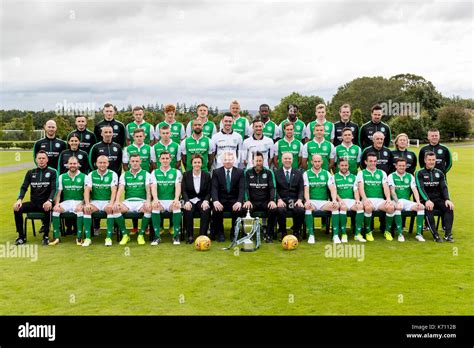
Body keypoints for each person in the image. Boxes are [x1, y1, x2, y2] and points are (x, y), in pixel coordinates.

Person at [13, 151, 57, 245]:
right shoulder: (30, 172)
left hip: (46, 203)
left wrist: (50, 201)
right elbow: (24, 187)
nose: (41, 160)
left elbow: (54, 189)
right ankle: (21, 236)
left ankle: (45, 236)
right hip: (34, 203)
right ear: (36, 160)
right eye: (39, 158)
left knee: (47, 207)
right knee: (17, 209)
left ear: (47, 160)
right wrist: (19, 200)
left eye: (43, 158)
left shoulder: (52, 172)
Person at [415, 151, 455, 242]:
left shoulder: (440, 173)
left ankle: (448, 235)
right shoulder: (419, 173)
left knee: (449, 208)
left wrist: (447, 199)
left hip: (437, 199)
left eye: (433, 160)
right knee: (429, 208)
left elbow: (444, 187)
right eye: (429, 160)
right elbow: (420, 188)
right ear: (425, 160)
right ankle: (435, 235)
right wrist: (427, 200)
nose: (431, 162)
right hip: (424, 199)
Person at [115, 154, 153, 245]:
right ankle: (125, 235)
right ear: (129, 162)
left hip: (141, 201)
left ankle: (141, 234)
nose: (135, 163)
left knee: (149, 208)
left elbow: (148, 190)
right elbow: (120, 189)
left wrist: (148, 201)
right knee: (115, 209)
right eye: (132, 161)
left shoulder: (146, 174)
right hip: (128, 202)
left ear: (140, 162)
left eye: (137, 161)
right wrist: (117, 201)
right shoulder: (125, 175)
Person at [356, 152, 395, 241]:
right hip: (367, 199)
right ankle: (368, 231)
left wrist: (388, 199)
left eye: (374, 161)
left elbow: (385, 187)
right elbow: (360, 188)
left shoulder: (382, 173)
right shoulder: (361, 173)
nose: (373, 163)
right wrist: (365, 199)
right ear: (366, 162)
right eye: (370, 161)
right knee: (368, 208)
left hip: (380, 200)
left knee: (391, 207)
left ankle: (387, 231)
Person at [50, 156, 86, 246]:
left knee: (80, 210)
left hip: (79, 201)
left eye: (74, 163)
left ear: (78, 164)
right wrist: (57, 204)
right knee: (56, 210)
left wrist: (82, 203)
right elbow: (58, 192)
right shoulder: (62, 176)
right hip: (67, 202)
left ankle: (79, 237)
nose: (72, 165)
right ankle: (56, 237)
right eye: (70, 163)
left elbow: (87, 194)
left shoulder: (84, 176)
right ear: (67, 165)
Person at [303, 154, 339, 244]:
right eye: (315, 161)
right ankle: (311, 235)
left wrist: (334, 199)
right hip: (312, 201)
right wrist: (307, 201)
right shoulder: (306, 173)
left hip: (324, 202)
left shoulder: (326, 173)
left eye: (319, 161)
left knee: (336, 206)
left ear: (322, 162)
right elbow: (306, 189)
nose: (317, 163)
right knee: (307, 206)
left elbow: (332, 188)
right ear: (311, 162)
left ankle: (335, 235)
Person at [83, 155, 118, 246]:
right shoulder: (91, 174)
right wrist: (87, 204)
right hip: (95, 202)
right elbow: (87, 190)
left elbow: (114, 190)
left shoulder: (113, 174)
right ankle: (87, 238)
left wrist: (111, 204)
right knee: (87, 210)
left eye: (104, 162)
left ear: (108, 164)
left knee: (110, 210)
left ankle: (108, 237)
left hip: (107, 201)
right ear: (96, 164)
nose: (102, 164)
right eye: (100, 162)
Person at [388, 158, 425, 242]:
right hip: (395, 201)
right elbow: (392, 191)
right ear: (396, 166)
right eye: (400, 165)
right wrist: (397, 202)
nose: (402, 167)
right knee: (398, 207)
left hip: (407, 202)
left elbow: (414, 190)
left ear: (406, 166)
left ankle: (419, 234)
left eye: (403, 166)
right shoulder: (391, 176)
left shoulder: (410, 176)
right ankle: (400, 234)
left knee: (421, 207)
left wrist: (418, 202)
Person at [243, 152, 277, 242]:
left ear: (263, 161)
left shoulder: (269, 172)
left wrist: (272, 200)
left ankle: (269, 234)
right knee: (244, 209)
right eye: (256, 161)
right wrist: (247, 200)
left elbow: (272, 188)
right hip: (252, 201)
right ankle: (247, 234)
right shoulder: (247, 172)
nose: (258, 163)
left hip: (265, 201)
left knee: (273, 209)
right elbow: (245, 188)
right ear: (252, 161)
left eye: (260, 161)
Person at [150, 151, 183, 245]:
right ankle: (157, 237)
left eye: (167, 158)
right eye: (163, 158)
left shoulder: (176, 172)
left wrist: (176, 199)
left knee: (177, 206)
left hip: (171, 200)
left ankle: (176, 236)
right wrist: (155, 199)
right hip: (159, 200)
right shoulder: (154, 172)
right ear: (159, 160)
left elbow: (178, 186)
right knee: (155, 206)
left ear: (170, 159)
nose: (165, 160)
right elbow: (154, 187)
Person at [211, 151, 245, 242]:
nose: (228, 161)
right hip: (221, 200)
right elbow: (214, 188)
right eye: (225, 160)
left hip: (234, 200)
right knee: (216, 210)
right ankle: (220, 232)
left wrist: (239, 201)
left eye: (230, 160)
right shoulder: (216, 172)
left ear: (234, 160)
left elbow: (242, 189)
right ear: (222, 161)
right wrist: (215, 201)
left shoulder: (240, 172)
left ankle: (234, 232)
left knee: (238, 210)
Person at [332, 158, 365, 243]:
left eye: (346, 165)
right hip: (341, 201)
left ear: (348, 166)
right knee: (343, 207)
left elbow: (355, 190)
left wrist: (357, 200)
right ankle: (344, 234)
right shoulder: (334, 177)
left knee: (360, 206)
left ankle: (357, 234)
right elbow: (334, 191)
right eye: (342, 165)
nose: (344, 167)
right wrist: (340, 200)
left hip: (351, 200)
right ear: (339, 166)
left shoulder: (354, 177)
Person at [181, 154, 211, 244]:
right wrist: (186, 201)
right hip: (190, 200)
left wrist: (206, 201)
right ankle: (189, 236)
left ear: (202, 164)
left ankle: (203, 236)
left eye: (199, 162)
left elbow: (209, 191)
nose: (197, 164)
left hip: (202, 200)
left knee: (206, 210)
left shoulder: (207, 175)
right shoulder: (186, 175)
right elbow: (184, 190)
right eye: (195, 162)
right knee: (188, 210)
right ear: (191, 164)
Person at [274, 152, 305, 240]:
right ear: (281, 160)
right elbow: (274, 188)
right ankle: (283, 232)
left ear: (292, 160)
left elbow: (301, 189)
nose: (287, 160)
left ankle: (296, 232)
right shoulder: (276, 173)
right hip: (282, 200)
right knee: (280, 210)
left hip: (293, 201)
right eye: (285, 158)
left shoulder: (298, 173)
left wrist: (299, 199)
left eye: (289, 159)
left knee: (299, 210)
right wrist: (279, 199)